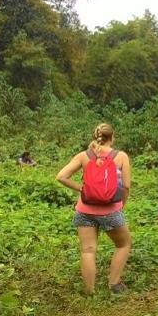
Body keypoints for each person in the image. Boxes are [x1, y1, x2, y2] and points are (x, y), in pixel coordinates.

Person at [55, 123, 132, 295]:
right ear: (113, 137)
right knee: (124, 244)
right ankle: (114, 284)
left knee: (87, 250)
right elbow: (126, 186)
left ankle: (89, 291)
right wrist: (121, 206)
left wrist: (81, 189)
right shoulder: (121, 156)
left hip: (84, 210)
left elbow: (61, 176)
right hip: (110, 211)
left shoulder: (84, 156)